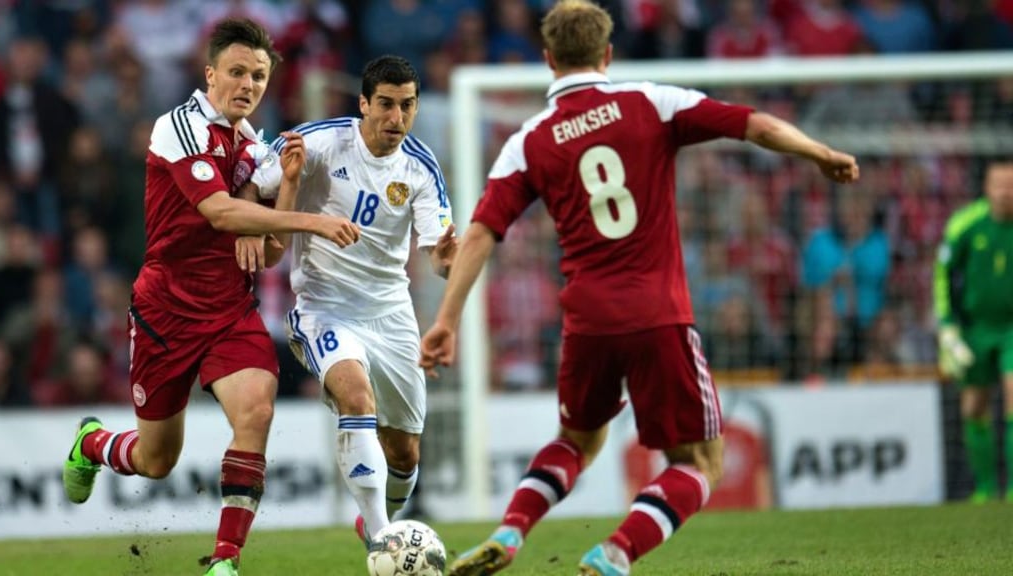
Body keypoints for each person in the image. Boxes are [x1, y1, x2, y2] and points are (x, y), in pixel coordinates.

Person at [418, 2, 859, 575]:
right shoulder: (653, 102)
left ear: (548, 60)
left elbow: (480, 234)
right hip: (658, 314)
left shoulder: (528, 141)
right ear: (607, 54)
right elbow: (756, 124)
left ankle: (510, 530)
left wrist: (447, 320)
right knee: (701, 461)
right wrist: (819, 153)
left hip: (587, 321)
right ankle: (615, 552)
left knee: (576, 441)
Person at [61, 18, 361, 576]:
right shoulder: (178, 127)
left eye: (260, 76)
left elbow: (269, 252)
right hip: (165, 311)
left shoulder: (255, 147)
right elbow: (219, 211)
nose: (248, 84)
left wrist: (288, 184)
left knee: (257, 410)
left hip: (229, 309)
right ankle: (93, 443)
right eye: (238, 72)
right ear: (210, 74)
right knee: (156, 461)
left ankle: (224, 561)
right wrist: (312, 221)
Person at [242, 54, 457, 551]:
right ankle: (382, 540)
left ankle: (379, 520)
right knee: (355, 397)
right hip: (323, 306)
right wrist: (253, 222)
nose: (395, 118)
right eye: (384, 104)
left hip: (391, 313)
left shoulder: (421, 169)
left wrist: (448, 258)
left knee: (404, 453)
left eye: (407, 106)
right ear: (363, 103)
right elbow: (254, 178)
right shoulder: (319, 141)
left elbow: (438, 257)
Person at [934, 158, 1013, 503]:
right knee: (974, 408)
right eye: (1000, 184)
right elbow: (942, 275)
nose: (1006, 192)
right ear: (987, 187)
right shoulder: (965, 225)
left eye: (1011, 185)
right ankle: (985, 488)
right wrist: (947, 326)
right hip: (976, 328)